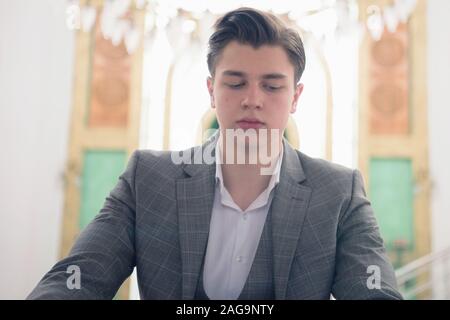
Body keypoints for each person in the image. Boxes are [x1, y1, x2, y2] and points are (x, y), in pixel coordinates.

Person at [28, 7, 402, 300]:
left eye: (271, 86)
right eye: (235, 83)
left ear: (295, 97)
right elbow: (78, 277)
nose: (252, 100)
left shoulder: (338, 192)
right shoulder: (148, 178)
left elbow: (375, 292)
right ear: (211, 90)